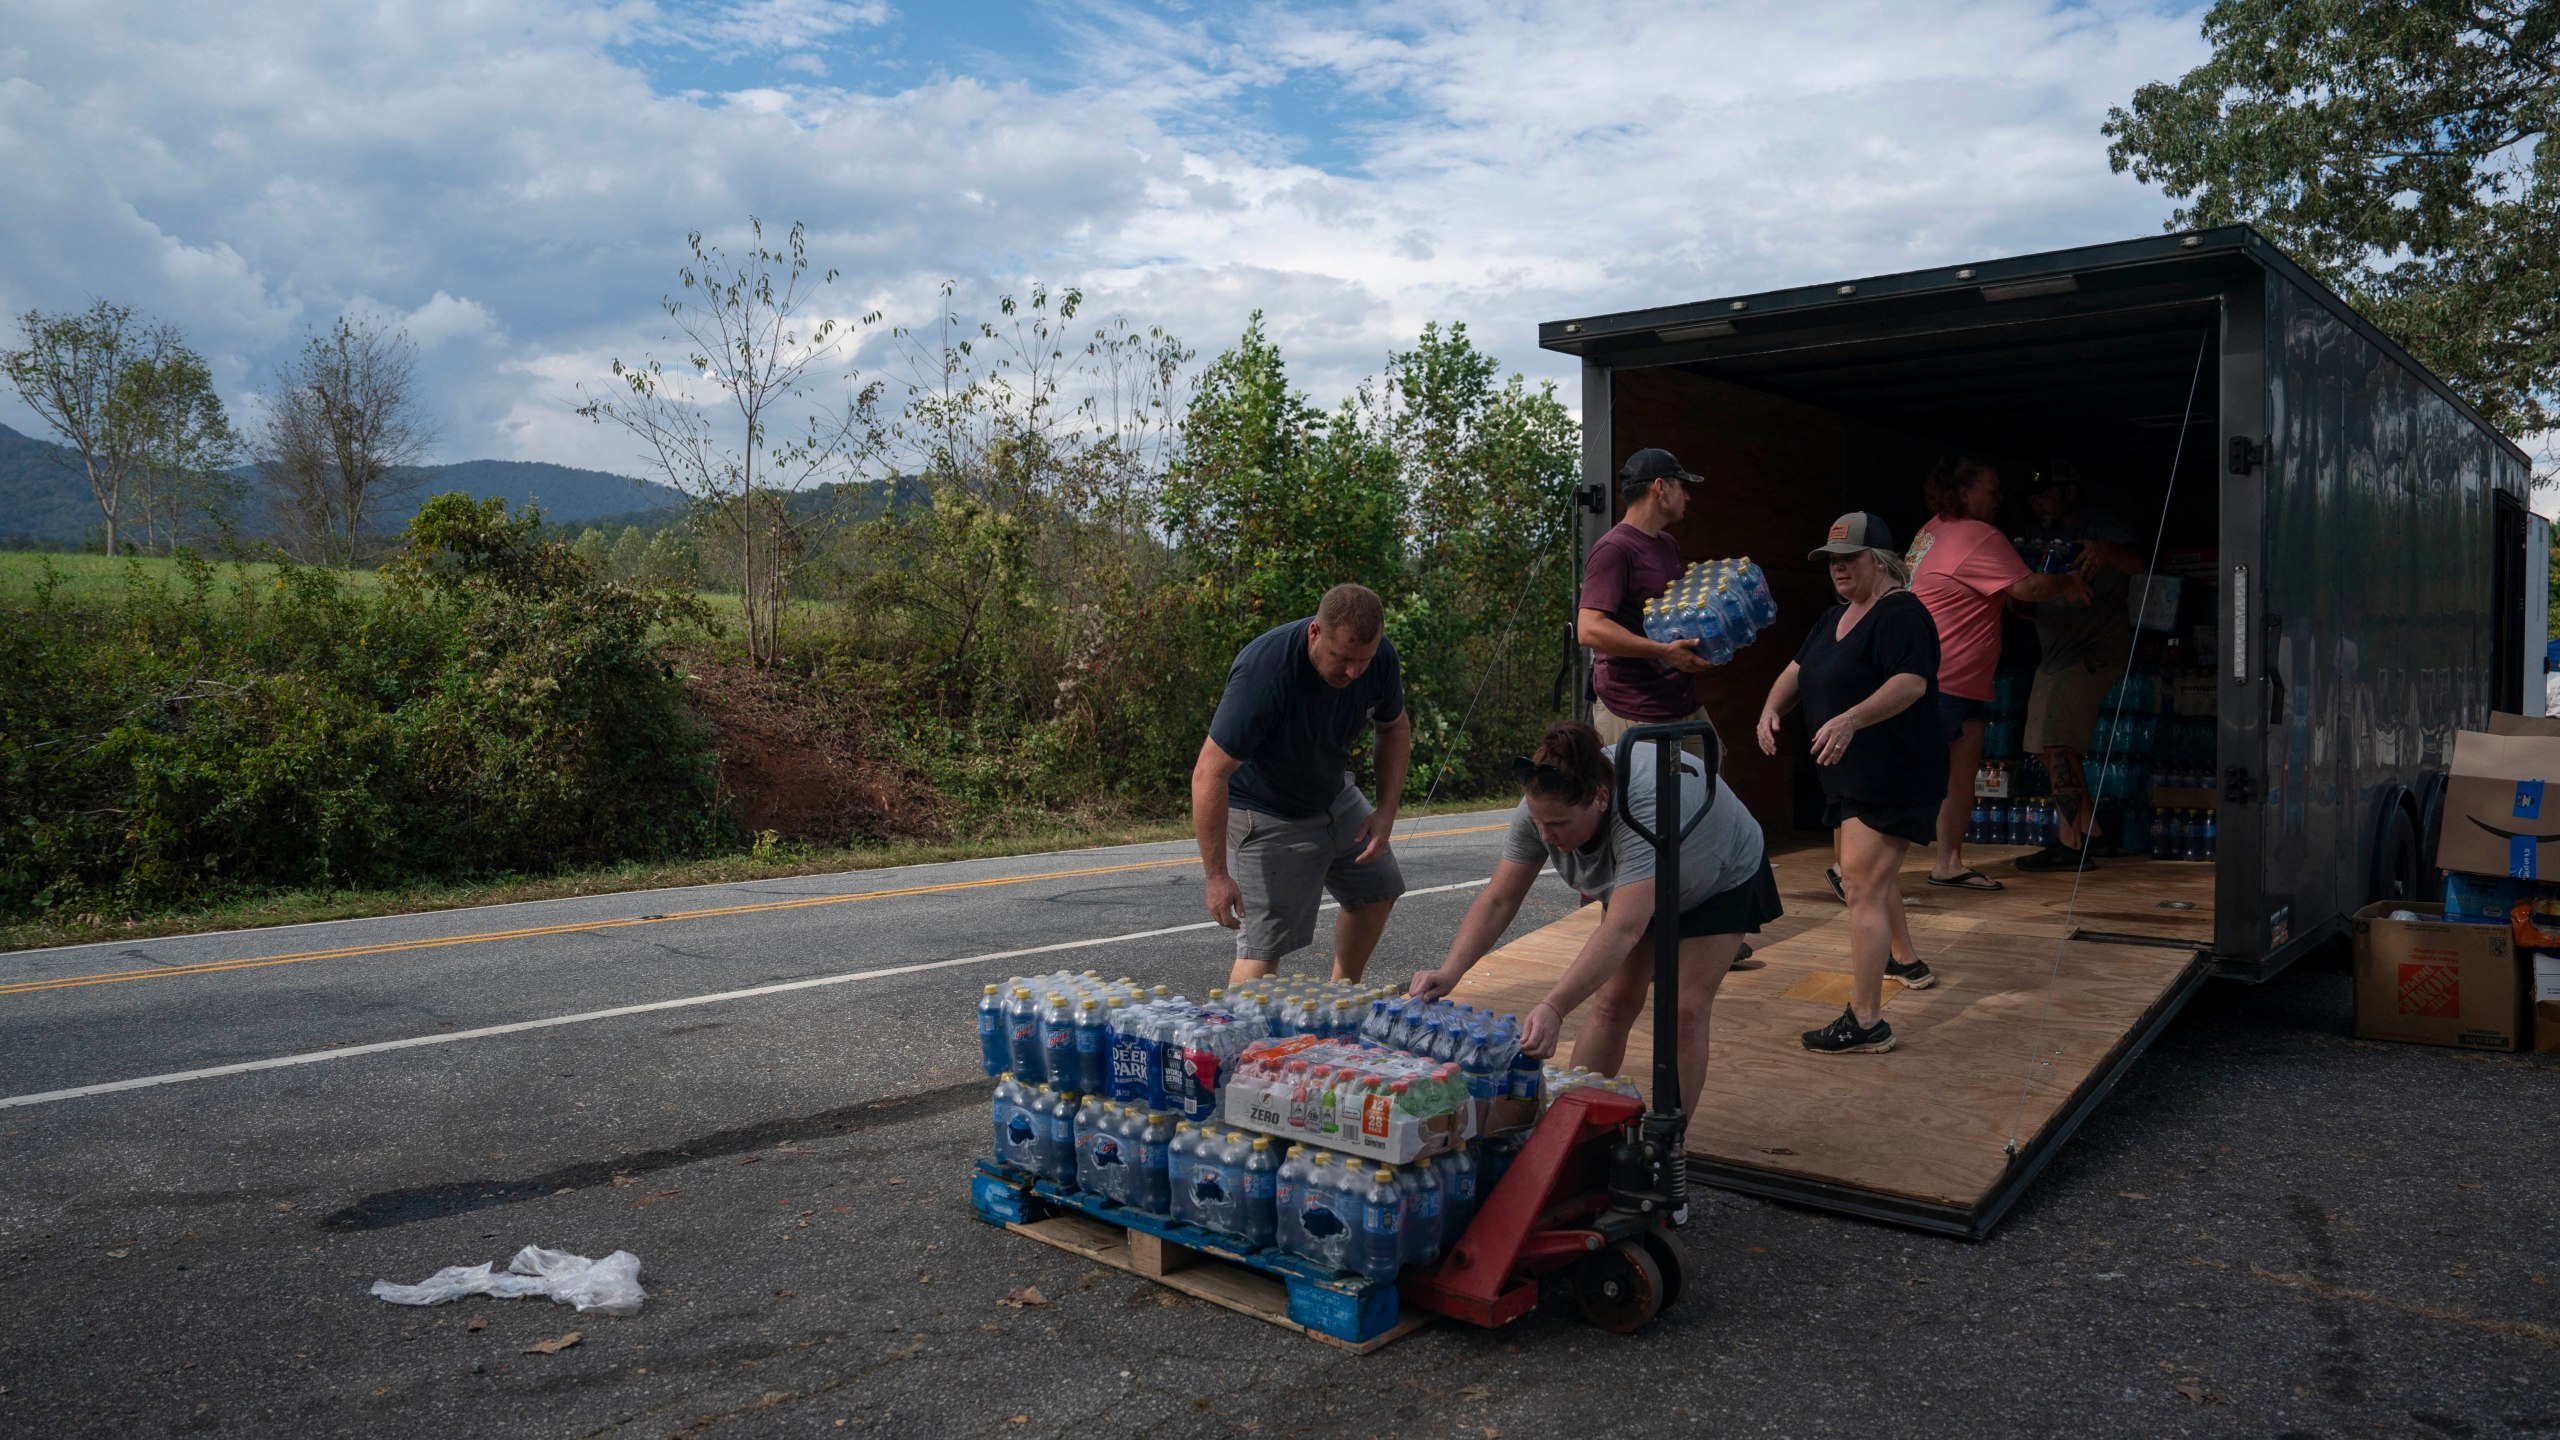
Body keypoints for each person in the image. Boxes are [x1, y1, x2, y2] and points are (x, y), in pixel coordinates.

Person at [1407, 718, 1777, 1122]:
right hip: (1647, 875)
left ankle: (1670, 1143)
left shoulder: (1642, 811)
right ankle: (1570, 1125)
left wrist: (1554, 1006)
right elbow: (1499, 899)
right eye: (1539, 824)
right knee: (1613, 1001)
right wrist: (1451, 969)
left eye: (1559, 825)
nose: (1546, 835)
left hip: (1718, 873)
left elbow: (1624, 927)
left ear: (1601, 799)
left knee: (1685, 1012)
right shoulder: (1541, 806)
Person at [1757, 512, 1943, 1055]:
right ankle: (1905, 959)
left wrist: (1851, 718)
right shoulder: (1834, 616)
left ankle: (1866, 1021)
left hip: (1893, 772)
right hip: (1847, 772)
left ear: (1881, 562)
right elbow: (1798, 670)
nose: (1838, 569)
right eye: (1832, 561)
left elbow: (1911, 683)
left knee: (1861, 886)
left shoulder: (1902, 614)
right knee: (1868, 881)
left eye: (1850, 558)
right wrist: (1771, 707)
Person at [1193, 583, 1412, 987]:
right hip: (1264, 807)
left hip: (1332, 792)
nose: (1354, 672)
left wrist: (1385, 812)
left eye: (1363, 660)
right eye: (1343, 658)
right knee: (1265, 944)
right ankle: (1240, 1045)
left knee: (1379, 887)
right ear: (1315, 633)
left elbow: (1394, 729)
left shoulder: (1378, 657)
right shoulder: (1265, 670)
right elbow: (1209, 773)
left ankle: (1341, 997)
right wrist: (1216, 877)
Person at [1905, 457, 2089, 892]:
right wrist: (2067, 581)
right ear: (1964, 492)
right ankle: (1853, 867)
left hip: (1958, 678)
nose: (2000, 498)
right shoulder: (1979, 534)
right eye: (1992, 489)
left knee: (1959, 775)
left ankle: (1948, 863)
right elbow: (2025, 588)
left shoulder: (1931, 530)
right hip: (1943, 675)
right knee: (1912, 775)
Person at [2014, 463, 2145, 871]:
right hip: (2054, 654)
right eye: (2032, 497)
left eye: (2045, 493)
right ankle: (2092, 837)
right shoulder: (2035, 536)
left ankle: (2070, 845)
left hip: (2092, 652)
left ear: (2070, 491)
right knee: (2047, 746)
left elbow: (2141, 563)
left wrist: (2102, 550)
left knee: (2057, 744)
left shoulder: (2101, 524)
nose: (2037, 503)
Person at [1577, 447, 1718, 763]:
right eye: (1682, 486)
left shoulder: (1667, 544)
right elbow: (1589, 630)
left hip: (1683, 704)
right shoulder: (1614, 549)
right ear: (1661, 487)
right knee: (1645, 809)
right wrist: (1665, 652)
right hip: (1634, 709)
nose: (1688, 497)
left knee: (1708, 796)